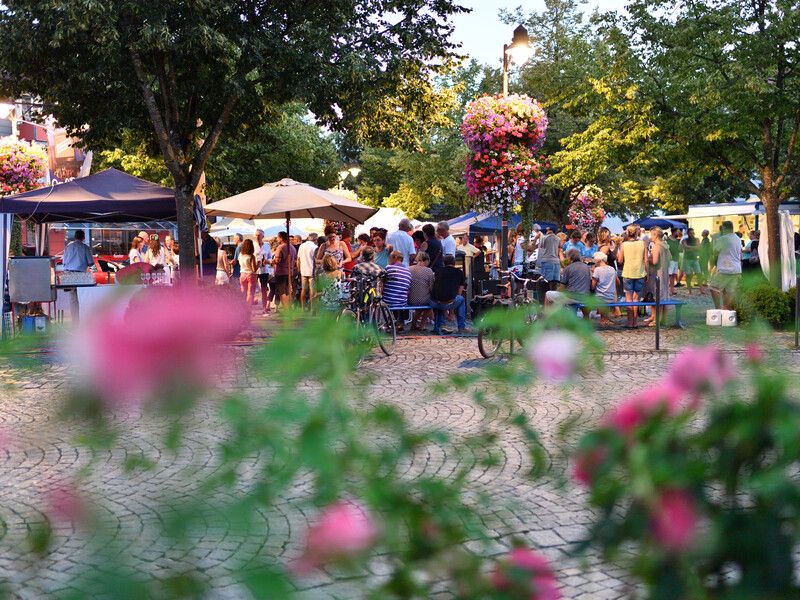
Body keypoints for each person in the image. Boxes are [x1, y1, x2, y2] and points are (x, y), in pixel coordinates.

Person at [429, 254, 469, 335]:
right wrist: (451, 311)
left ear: (444, 263)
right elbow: (459, 292)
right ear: (454, 263)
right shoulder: (459, 273)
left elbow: (434, 286)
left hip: (434, 302)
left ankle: (438, 327)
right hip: (448, 302)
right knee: (461, 299)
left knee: (440, 301)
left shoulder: (438, 271)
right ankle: (461, 327)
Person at [617, 225, 647, 328]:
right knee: (636, 299)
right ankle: (635, 321)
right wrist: (646, 272)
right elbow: (646, 260)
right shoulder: (643, 243)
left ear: (628, 233)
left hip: (628, 273)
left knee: (629, 299)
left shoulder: (624, 244)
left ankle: (630, 322)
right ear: (636, 233)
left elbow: (620, 260)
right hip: (640, 273)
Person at [545, 248, 591, 314]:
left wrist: (557, 291)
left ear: (569, 258)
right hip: (585, 297)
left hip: (572, 297)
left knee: (548, 294)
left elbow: (562, 288)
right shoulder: (586, 267)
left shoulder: (568, 268)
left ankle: (546, 316)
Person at [62, 230, 94, 322]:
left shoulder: (68, 246)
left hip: (68, 274)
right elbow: (90, 263)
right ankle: (83, 319)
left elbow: (64, 262)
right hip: (80, 274)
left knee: (73, 299)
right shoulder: (85, 247)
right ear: (83, 237)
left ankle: (75, 321)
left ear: (75, 237)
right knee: (82, 297)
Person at [710, 220, 742, 310]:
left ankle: (718, 309)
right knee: (728, 292)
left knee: (713, 288)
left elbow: (715, 252)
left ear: (724, 228)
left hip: (725, 268)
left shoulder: (723, 239)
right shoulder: (738, 238)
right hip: (736, 269)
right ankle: (727, 311)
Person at [644, 227, 672, 327]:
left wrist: (647, 259)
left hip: (657, 273)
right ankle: (663, 319)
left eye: (651, 234)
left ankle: (657, 320)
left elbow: (655, 261)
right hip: (665, 272)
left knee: (658, 296)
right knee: (664, 296)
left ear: (655, 235)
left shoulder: (657, 246)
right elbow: (670, 258)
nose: (650, 237)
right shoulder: (665, 245)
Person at [384, 251, 412, 330]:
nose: (388, 259)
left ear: (394, 258)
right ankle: (399, 323)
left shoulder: (388, 268)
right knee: (400, 297)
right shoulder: (408, 272)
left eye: (389, 257)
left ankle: (391, 322)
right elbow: (408, 289)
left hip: (388, 302)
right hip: (402, 302)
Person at [408, 251, 435, 331]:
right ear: (426, 260)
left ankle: (413, 324)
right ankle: (421, 326)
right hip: (423, 300)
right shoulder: (429, 271)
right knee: (429, 304)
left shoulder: (409, 269)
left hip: (410, 299)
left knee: (421, 304)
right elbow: (431, 288)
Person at [591, 251, 619, 325]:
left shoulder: (597, 270)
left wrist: (593, 273)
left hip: (601, 298)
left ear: (599, 260)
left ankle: (602, 319)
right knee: (605, 294)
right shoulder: (612, 269)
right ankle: (605, 319)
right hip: (611, 298)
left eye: (594, 260)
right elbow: (618, 282)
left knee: (595, 295)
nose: (594, 262)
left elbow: (592, 286)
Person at [272, 231, 297, 309]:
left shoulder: (281, 247)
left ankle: (286, 310)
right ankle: (288, 308)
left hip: (281, 272)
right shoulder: (292, 247)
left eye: (278, 237)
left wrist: (269, 261)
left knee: (282, 292)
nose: (277, 239)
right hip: (290, 272)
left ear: (281, 238)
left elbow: (277, 260)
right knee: (288, 291)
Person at [297, 233, 318, 310]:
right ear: (315, 239)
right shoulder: (315, 247)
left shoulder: (302, 246)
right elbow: (316, 260)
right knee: (312, 291)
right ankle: (312, 309)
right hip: (312, 271)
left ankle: (303, 308)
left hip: (303, 270)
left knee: (303, 290)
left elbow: (298, 259)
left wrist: (299, 270)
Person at [254, 229, 273, 315]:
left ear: (263, 236)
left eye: (259, 235)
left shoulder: (267, 245)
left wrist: (267, 261)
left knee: (264, 290)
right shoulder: (253, 245)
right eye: (256, 235)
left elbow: (270, 257)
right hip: (255, 270)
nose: (257, 237)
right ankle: (249, 310)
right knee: (252, 290)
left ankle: (264, 308)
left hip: (264, 269)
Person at [680, 228, 701, 294]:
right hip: (687, 259)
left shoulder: (697, 239)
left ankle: (701, 290)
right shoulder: (684, 240)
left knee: (699, 274)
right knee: (688, 275)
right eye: (690, 233)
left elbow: (698, 247)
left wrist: (689, 247)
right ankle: (689, 290)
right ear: (688, 234)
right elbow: (685, 247)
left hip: (695, 259)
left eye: (693, 233)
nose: (692, 234)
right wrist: (694, 248)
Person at [238, 239, 258, 305]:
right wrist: (259, 264)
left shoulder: (240, 255)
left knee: (243, 293)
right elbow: (254, 269)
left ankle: (243, 308)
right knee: (250, 293)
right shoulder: (251, 256)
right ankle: (249, 308)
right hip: (251, 275)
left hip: (242, 275)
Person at [666, 229, 682, 294]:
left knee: (673, 275)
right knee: (669, 275)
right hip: (670, 260)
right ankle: (667, 290)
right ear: (674, 232)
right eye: (677, 232)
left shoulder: (677, 240)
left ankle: (672, 290)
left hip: (676, 259)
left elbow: (679, 249)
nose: (678, 233)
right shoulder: (667, 240)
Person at [699, 229, 712, 294]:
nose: (701, 233)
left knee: (704, 269)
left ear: (705, 234)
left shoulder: (706, 241)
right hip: (703, 257)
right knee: (703, 269)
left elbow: (704, 249)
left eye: (703, 232)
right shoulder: (704, 240)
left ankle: (705, 282)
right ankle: (703, 281)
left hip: (704, 257)